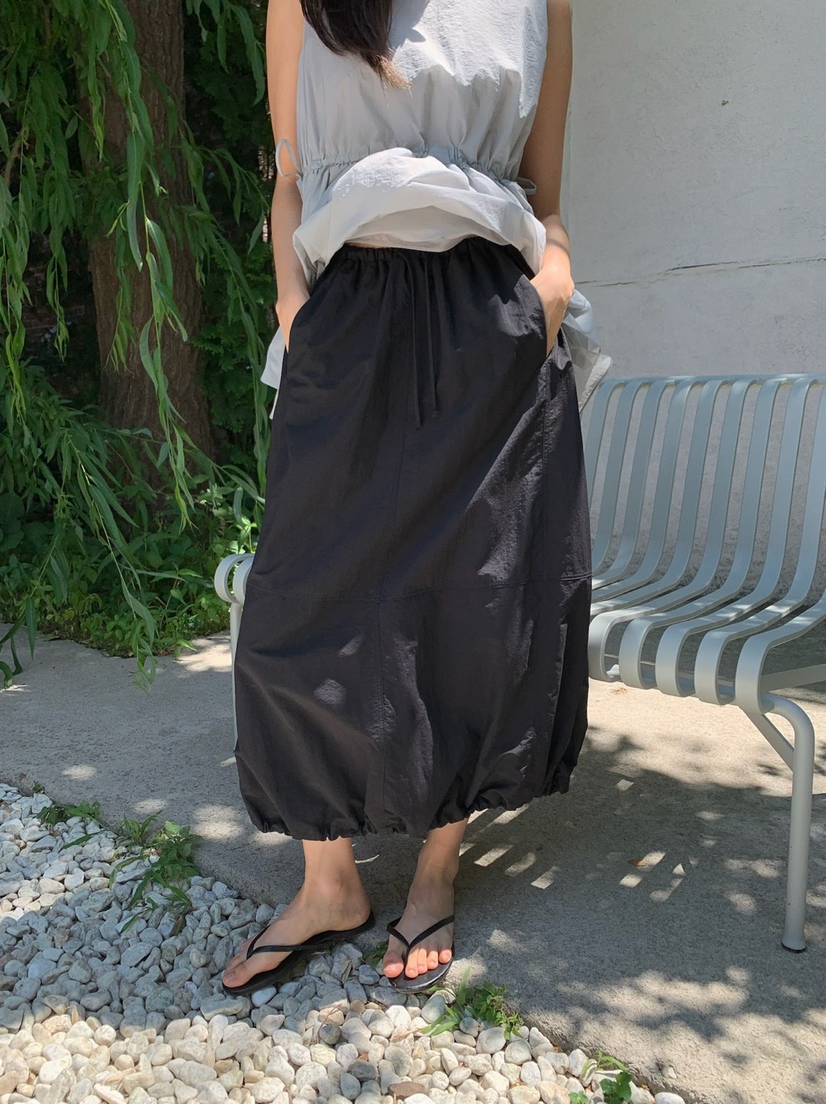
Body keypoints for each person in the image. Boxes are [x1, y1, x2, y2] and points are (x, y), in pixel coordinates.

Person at [221, 0, 591, 997]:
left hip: (492, 320)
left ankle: (434, 871)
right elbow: (288, 178)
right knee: (296, 609)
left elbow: (545, 195)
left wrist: (552, 284)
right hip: (349, 314)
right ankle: (329, 883)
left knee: (476, 605)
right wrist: (294, 309)